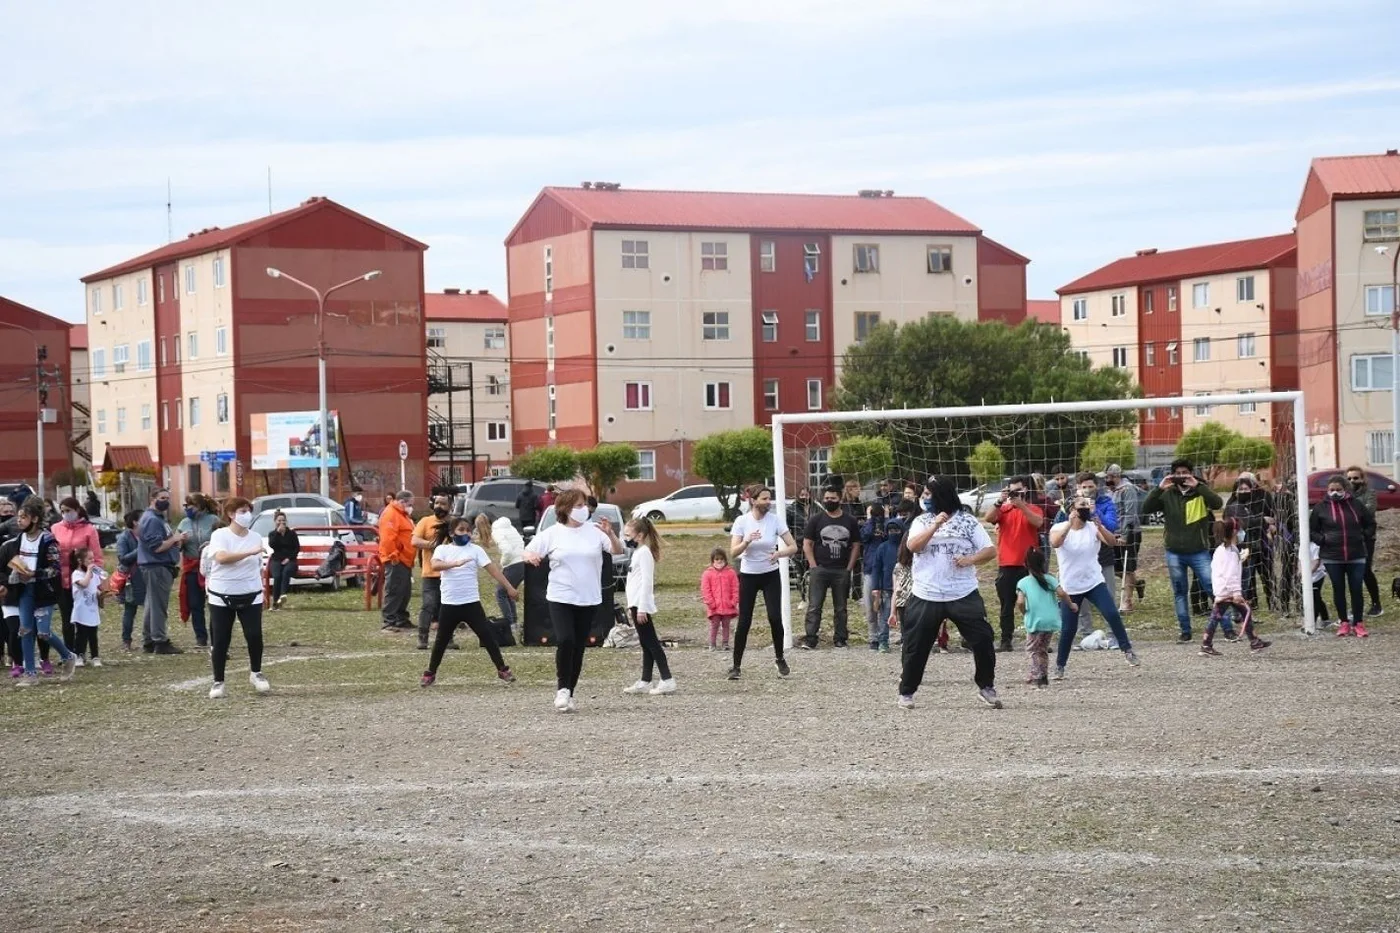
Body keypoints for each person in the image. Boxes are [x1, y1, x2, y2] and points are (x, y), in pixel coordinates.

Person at [897, 476, 1000, 710]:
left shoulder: (967, 521)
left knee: (983, 639)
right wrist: (935, 526)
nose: (925, 499)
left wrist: (970, 559)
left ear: (941, 496)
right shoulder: (922, 521)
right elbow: (913, 547)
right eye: (923, 495)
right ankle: (907, 691)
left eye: (928, 495)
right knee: (915, 646)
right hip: (926, 593)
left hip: (962, 592)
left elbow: (990, 550)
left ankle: (986, 687)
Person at [523, 490, 623, 712]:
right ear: (566, 509)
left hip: (588, 597)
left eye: (585, 505)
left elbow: (617, 551)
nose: (583, 509)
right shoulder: (553, 533)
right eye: (578, 505)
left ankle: (570, 691)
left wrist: (612, 534)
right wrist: (532, 556)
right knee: (566, 639)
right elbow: (528, 551)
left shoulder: (595, 532)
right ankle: (562, 689)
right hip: (561, 596)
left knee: (579, 645)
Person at [1050, 489, 1141, 679]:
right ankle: (1060, 665)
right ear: (1072, 510)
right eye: (1082, 505)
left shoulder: (1092, 527)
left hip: (1094, 582)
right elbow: (1055, 543)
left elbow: (1111, 542)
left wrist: (1100, 526)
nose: (1087, 508)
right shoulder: (1059, 528)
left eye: (1087, 505)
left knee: (1111, 613)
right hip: (1070, 587)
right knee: (1069, 628)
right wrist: (1069, 524)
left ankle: (1127, 649)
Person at [421, 517, 518, 688]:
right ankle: (430, 673)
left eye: (468, 530)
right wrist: (455, 563)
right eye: (461, 530)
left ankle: (502, 669)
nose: (465, 533)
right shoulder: (443, 549)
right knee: (441, 641)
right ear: (452, 533)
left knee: (487, 636)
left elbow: (494, 571)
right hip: (450, 604)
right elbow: (435, 565)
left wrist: (509, 587)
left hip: (471, 603)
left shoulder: (476, 550)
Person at [1141, 459, 1222, 643]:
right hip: (1174, 552)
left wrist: (1199, 486)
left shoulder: (1200, 491)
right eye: (1178, 473)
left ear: (1191, 473)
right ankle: (1185, 631)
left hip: (1199, 551)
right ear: (1172, 475)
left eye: (1185, 472)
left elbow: (1217, 503)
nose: (1182, 476)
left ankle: (1226, 627)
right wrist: (1158, 488)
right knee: (1180, 592)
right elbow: (1145, 509)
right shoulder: (1167, 493)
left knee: (1212, 587)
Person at [726, 486, 798, 680]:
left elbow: (793, 546)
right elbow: (733, 552)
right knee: (744, 621)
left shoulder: (775, 520)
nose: (768, 502)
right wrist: (746, 541)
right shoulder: (742, 521)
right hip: (749, 575)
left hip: (770, 575)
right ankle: (736, 665)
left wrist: (779, 553)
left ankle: (780, 657)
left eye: (769, 498)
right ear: (753, 500)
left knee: (775, 617)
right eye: (764, 499)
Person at [204, 498, 271, 699]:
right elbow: (222, 558)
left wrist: (262, 590)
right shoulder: (220, 535)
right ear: (231, 514)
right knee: (221, 639)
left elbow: (258, 566)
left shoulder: (256, 537)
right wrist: (250, 552)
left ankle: (256, 673)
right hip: (221, 594)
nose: (247, 515)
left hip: (251, 593)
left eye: (248, 511)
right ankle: (218, 681)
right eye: (242, 511)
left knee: (254, 635)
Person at [8, 498, 77, 685]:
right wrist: (15, 572)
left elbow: (54, 568)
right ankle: (30, 674)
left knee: (43, 632)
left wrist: (34, 574)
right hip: (24, 591)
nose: (19, 520)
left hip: (43, 592)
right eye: (19, 517)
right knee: (25, 630)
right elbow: (17, 559)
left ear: (35, 519)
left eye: (24, 517)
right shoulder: (20, 539)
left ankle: (68, 656)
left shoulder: (48, 540)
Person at [985, 475, 1045, 653]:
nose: (1015, 494)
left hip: (1030, 564)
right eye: (1011, 490)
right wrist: (999, 501)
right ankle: (1006, 640)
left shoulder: (1033, 508)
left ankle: (1039, 640)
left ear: (1026, 490)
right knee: (1006, 605)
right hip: (1007, 563)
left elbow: (1038, 522)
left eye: (1018, 490)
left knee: (1035, 603)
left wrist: (1021, 506)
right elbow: (988, 518)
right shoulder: (1003, 509)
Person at [1311, 474, 1376, 637]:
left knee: (1356, 588)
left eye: (1338, 490)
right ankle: (1344, 622)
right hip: (1332, 556)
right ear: (1327, 490)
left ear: (1345, 490)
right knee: (1338, 588)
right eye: (1331, 490)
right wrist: (1322, 540)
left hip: (1356, 555)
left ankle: (1359, 623)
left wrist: (1363, 535)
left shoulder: (1356, 505)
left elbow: (1370, 523)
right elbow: (1312, 530)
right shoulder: (1320, 508)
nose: (1334, 493)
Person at [1057, 473, 1119, 637]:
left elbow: (1112, 526)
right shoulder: (1071, 503)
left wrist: (1094, 511)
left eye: (1090, 486)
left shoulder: (1105, 502)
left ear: (1097, 486)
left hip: (1103, 556)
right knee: (1080, 601)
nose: (1087, 490)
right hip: (1077, 559)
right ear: (1077, 488)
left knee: (1109, 597)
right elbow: (1058, 525)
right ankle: (1086, 633)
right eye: (1083, 487)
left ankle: (1113, 634)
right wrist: (1071, 509)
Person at [801, 485, 862, 649]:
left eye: (833, 498)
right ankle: (811, 638)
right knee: (814, 606)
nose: (829, 501)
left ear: (840, 499)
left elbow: (856, 544)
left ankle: (841, 638)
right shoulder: (816, 519)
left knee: (841, 608)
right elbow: (807, 543)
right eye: (826, 498)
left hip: (841, 570)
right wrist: (813, 566)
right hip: (819, 569)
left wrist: (849, 567)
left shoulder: (850, 520)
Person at [621, 516, 675, 696]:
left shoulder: (644, 553)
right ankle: (645, 680)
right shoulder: (637, 553)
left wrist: (642, 607)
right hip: (635, 604)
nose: (625, 538)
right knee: (645, 644)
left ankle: (667, 679)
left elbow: (646, 582)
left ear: (640, 535)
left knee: (652, 643)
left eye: (628, 534)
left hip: (640, 604)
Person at [1201, 518, 1270, 656]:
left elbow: (1220, 570)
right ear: (1234, 532)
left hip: (1224, 590)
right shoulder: (1230, 553)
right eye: (1239, 531)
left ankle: (1254, 641)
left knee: (1242, 613)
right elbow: (1230, 575)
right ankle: (1206, 644)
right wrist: (1236, 593)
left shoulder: (1224, 550)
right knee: (1219, 617)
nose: (1242, 534)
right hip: (1229, 592)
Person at [51, 496, 103, 663]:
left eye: (69, 511)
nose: (66, 514)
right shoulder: (55, 529)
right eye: (63, 511)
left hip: (83, 580)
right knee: (67, 619)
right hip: (62, 581)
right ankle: (68, 653)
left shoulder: (89, 529)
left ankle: (82, 652)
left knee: (83, 619)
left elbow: (97, 556)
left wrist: (98, 581)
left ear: (77, 510)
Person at [137, 488, 186, 654]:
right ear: (152, 499)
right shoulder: (152, 520)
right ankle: (160, 640)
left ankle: (149, 640)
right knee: (158, 605)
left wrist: (174, 542)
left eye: (167, 498)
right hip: (156, 565)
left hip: (157, 566)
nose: (166, 501)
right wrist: (175, 539)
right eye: (162, 497)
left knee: (152, 603)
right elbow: (157, 547)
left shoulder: (159, 518)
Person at [1017, 546, 1070, 688]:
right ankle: (1044, 676)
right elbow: (1062, 593)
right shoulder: (1050, 579)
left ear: (1026, 564)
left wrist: (1024, 611)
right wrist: (1071, 605)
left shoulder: (1023, 582)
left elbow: (1020, 602)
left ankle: (1036, 676)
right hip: (1050, 621)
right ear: (1043, 563)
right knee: (1043, 649)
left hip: (1035, 621)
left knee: (1032, 649)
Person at [1223, 473, 1274, 610]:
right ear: (1236, 490)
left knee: (1267, 575)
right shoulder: (1233, 505)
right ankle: (1250, 603)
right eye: (1241, 489)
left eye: (1247, 488)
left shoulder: (1259, 500)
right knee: (1247, 577)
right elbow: (1244, 522)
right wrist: (1263, 520)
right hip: (1244, 547)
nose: (1244, 492)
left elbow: (1271, 513)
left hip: (1262, 544)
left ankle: (1272, 602)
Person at [177, 493, 219, 648]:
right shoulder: (183, 523)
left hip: (211, 568)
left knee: (214, 603)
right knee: (195, 604)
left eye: (190, 505)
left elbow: (221, 539)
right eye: (185, 506)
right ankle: (201, 637)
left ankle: (216, 635)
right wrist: (181, 542)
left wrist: (210, 543)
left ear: (200, 506)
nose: (187, 508)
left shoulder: (213, 520)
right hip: (192, 567)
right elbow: (178, 547)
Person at [413, 494, 454, 651]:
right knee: (428, 605)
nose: (439, 506)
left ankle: (448, 639)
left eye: (443, 503)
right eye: (437, 503)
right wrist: (434, 545)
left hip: (449, 574)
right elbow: (415, 541)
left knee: (448, 608)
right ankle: (423, 638)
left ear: (449, 506)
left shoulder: (453, 523)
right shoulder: (425, 522)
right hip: (430, 574)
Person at [1343, 465, 1383, 617]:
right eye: (1349, 478)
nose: (1352, 481)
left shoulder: (1370, 493)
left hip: (1366, 537)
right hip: (1349, 537)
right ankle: (1356, 606)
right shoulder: (1345, 494)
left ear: (1362, 479)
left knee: (1366, 570)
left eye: (1355, 478)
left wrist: (1351, 509)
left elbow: (1368, 511)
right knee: (1352, 572)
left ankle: (1376, 603)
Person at [1105, 465, 1145, 611]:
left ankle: (1126, 602)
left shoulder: (1128, 489)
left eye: (1109, 477)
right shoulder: (1109, 492)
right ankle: (1138, 583)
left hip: (1129, 532)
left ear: (1116, 476)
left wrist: (1124, 535)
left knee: (1128, 567)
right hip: (1112, 533)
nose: (1107, 479)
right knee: (1116, 567)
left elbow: (1130, 513)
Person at [377, 490, 416, 632]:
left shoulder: (401, 514)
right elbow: (387, 538)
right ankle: (389, 621)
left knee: (404, 590)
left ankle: (401, 618)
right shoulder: (391, 514)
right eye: (410, 504)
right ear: (402, 502)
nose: (411, 507)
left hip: (404, 558)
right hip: (396, 558)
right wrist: (394, 556)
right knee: (394, 589)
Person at [485, 514, 527, 630]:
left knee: (501, 593)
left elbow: (507, 551)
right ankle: (513, 621)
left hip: (513, 564)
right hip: (523, 561)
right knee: (509, 592)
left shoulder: (497, 532)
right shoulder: (510, 527)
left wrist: (503, 563)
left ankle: (510, 623)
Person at [868, 517, 902, 653]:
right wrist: (876, 587)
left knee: (906, 616)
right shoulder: (883, 547)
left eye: (896, 530)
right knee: (885, 615)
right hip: (887, 587)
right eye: (891, 530)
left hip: (905, 587)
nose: (894, 532)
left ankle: (906, 640)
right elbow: (876, 568)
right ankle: (883, 641)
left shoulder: (906, 546)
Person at [115, 509, 146, 650]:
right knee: (130, 609)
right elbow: (123, 558)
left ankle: (149, 638)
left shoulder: (146, 535)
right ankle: (126, 641)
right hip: (131, 579)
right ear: (135, 522)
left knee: (150, 609)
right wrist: (140, 549)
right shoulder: (124, 537)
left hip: (147, 576)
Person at [69, 546, 105, 667]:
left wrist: (103, 595)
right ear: (80, 561)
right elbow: (84, 584)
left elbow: (95, 590)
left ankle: (95, 656)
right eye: (89, 559)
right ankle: (79, 655)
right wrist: (89, 571)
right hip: (81, 611)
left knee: (93, 635)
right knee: (81, 634)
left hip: (92, 610)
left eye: (93, 559)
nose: (92, 562)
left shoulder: (94, 575)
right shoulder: (76, 574)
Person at [859, 503, 886, 647]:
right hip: (870, 570)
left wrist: (885, 519)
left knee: (884, 606)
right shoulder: (867, 525)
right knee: (870, 606)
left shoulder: (887, 525)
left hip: (885, 570)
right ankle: (873, 637)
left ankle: (883, 636)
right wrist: (870, 520)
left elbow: (890, 537)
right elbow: (865, 536)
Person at [700, 547, 738, 651]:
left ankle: (725, 643)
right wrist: (710, 603)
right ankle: (712, 643)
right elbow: (705, 590)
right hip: (714, 606)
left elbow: (735, 588)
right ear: (713, 560)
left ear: (725, 559)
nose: (719, 561)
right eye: (717, 559)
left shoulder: (731, 573)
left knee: (726, 625)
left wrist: (733, 601)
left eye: (721, 559)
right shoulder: (707, 574)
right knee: (714, 625)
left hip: (727, 605)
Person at [266, 511, 300, 609]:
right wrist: (278, 532)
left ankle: (283, 595)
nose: (281, 522)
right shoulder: (272, 534)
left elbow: (297, 548)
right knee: (277, 576)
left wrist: (289, 558)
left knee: (286, 571)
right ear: (275, 521)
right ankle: (275, 603)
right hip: (276, 559)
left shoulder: (292, 533)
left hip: (290, 560)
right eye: (279, 520)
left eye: (283, 520)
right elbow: (272, 545)